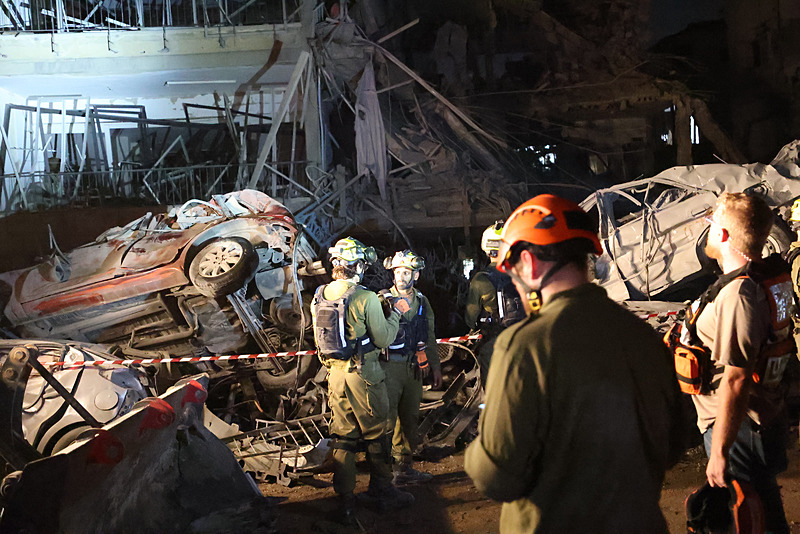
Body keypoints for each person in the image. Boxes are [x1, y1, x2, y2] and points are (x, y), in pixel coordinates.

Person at [464, 194, 685, 533]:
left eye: (513, 272)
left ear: (530, 263)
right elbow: (673, 445)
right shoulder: (644, 337)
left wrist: (475, 452)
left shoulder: (524, 345)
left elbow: (497, 478)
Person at [677, 193, 793, 533]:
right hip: (749, 425)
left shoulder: (740, 295)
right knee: (762, 513)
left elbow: (736, 379)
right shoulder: (754, 281)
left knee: (751, 519)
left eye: (712, 222)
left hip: (739, 430)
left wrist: (720, 451)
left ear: (723, 234)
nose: (709, 228)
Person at [311, 237, 414, 521]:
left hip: (335, 377)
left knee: (343, 439)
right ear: (357, 266)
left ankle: (345, 501)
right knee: (378, 434)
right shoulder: (364, 297)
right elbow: (384, 338)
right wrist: (395, 313)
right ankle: (382, 491)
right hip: (364, 377)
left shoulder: (320, 295)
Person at [379, 250, 443, 485]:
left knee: (409, 417)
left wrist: (435, 366)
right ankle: (383, 473)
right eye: (397, 272)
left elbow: (429, 334)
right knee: (387, 419)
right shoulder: (382, 300)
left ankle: (404, 467)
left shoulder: (422, 302)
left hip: (413, 367)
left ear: (416, 275)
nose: (400, 277)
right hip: (389, 367)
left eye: (406, 272)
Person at [464, 221, 525, 385]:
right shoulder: (524, 274)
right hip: (524, 339)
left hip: (495, 342)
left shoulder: (481, 280)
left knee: (493, 385)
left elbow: (470, 317)